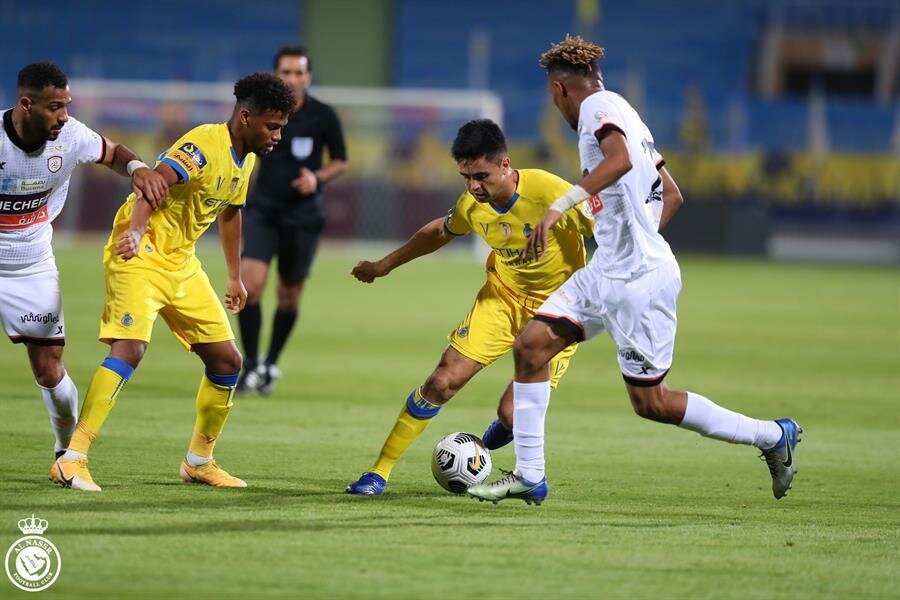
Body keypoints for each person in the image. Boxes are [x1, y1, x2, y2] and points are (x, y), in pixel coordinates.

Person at [468, 36, 801, 505]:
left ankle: (772, 435)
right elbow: (672, 191)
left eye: (551, 95)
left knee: (652, 403)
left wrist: (558, 209)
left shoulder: (596, 108)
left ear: (561, 90)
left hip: (637, 281)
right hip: (609, 268)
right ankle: (529, 475)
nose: (554, 104)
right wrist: (633, 238)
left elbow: (620, 161)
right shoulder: (630, 115)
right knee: (531, 348)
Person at [49, 73, 295, 492]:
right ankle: (72, 459)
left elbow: (231, 212)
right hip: (141, 254)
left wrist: (235, 276)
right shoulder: (203, 145)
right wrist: (138, 230)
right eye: (272, 126)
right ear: (246, 116)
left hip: (181, 262)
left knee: (227, 361)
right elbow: (154, 180)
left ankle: (199, 460)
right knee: (131, 348)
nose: (277, 136)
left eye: (282, 128)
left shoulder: (247, 157)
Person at [346, 118, 596, 495]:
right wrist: (383, 266)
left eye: (481, 175)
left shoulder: (549, 191)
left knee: (511, 414)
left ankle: (508, 428)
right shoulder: (472, 204)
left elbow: (606, 231)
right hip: (502, 299)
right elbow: (437, 232)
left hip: (556, 315)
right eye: (466, 177)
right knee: (442, 381)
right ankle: (379, 472)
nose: (474, 187)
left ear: (505, 165)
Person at [0, 62, 167, 462]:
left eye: (67, 105)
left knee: (49, 369)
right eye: (54, 107)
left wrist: (137, 168)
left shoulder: (71, 135)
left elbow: (112, 152)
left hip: (30, 266)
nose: (64, 116)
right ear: (26, 104)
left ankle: (65, 447)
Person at [237, 45, 348, 396]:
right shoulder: (259, 113)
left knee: (288, 297)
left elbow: (340, 160)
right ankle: (251, 364)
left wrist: (317, 178)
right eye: (286, 72)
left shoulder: (323, 115)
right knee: (250, 286)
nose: (293, 78)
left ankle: (270, 362)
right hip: (263, 209)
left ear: (308, 77)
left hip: (303, 215)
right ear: (276, 76)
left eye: (299, 72)